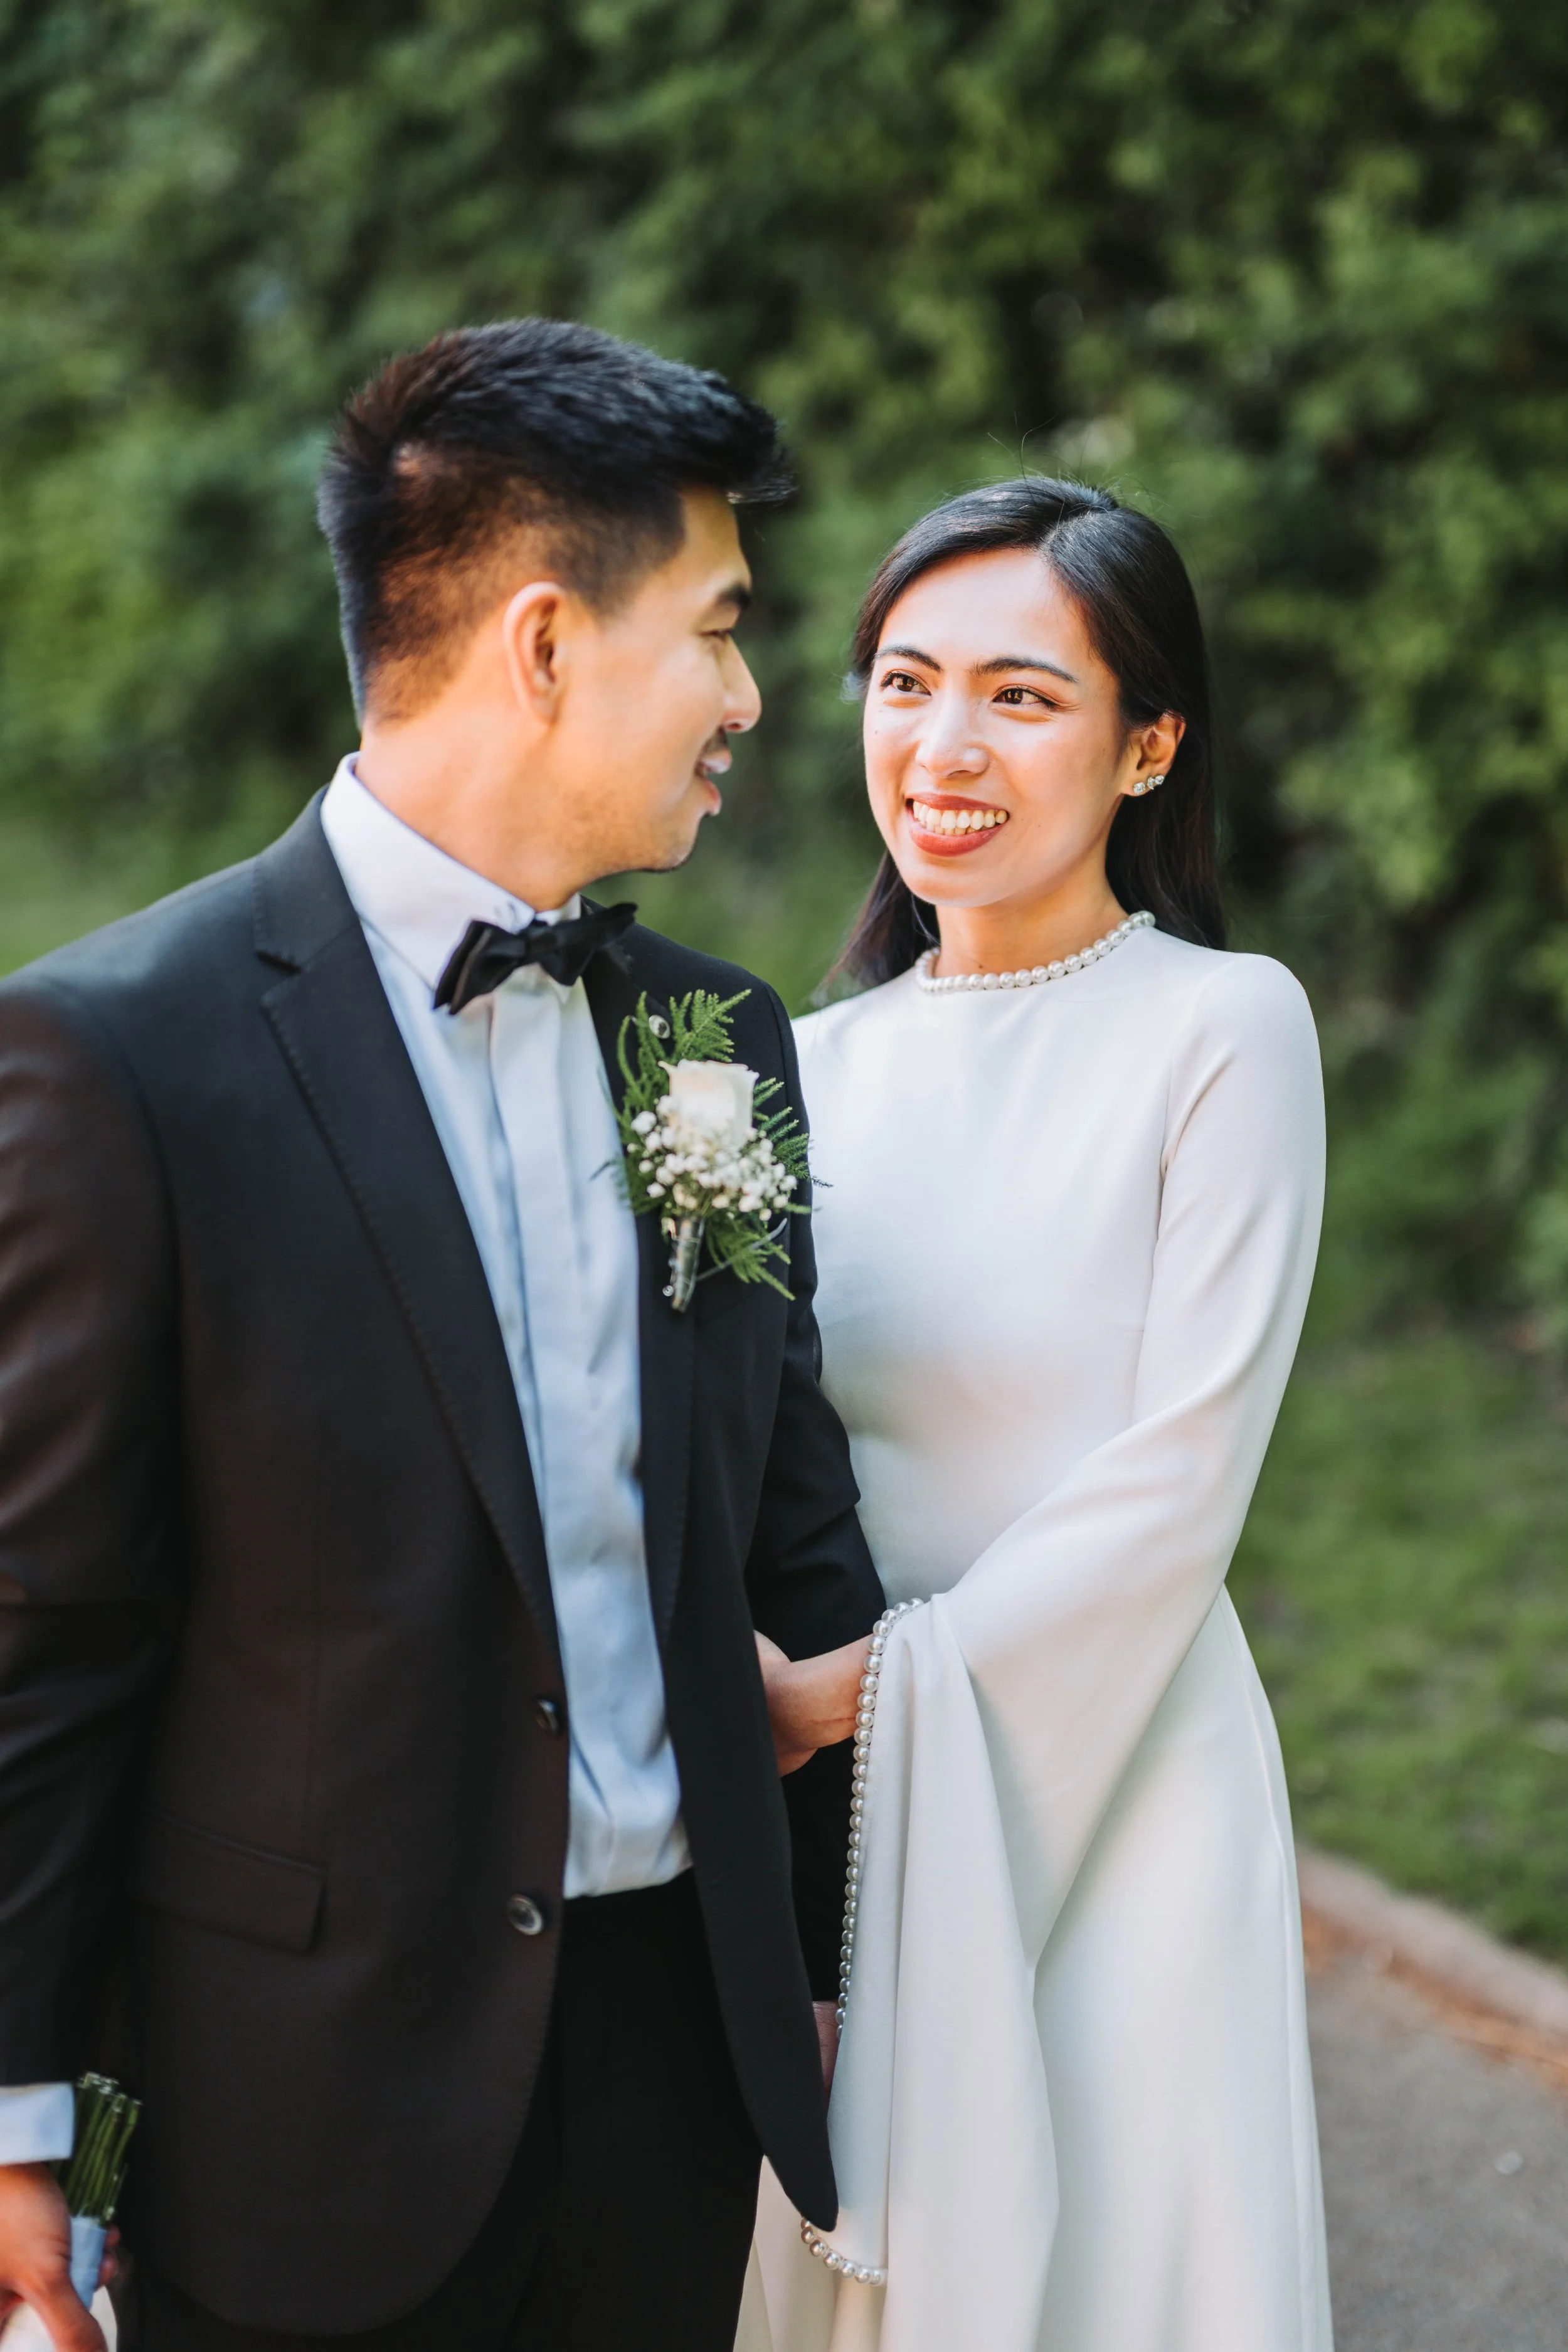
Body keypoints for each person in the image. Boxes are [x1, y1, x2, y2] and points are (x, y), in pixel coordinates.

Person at [0, 318, 884, 2352]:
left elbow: (793, 1529)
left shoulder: (715, 1036)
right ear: (546, 643)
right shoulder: (118, 1056)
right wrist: (20, 2110)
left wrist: (835, 1954)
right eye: (720, 629)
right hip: (298, 2103)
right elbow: (47, 1628)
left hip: (672, 2072)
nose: (751, 700)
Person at [740, 479, 1332, 2352]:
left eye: (1020, 695)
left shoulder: (1222, 1029)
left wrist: (856, 1687)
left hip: (1121, 1769)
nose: (942, 747)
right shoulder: (789, 1069)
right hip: (833, 1818)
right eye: (904, 682)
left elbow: (1181, 1470)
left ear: (1147, 741)